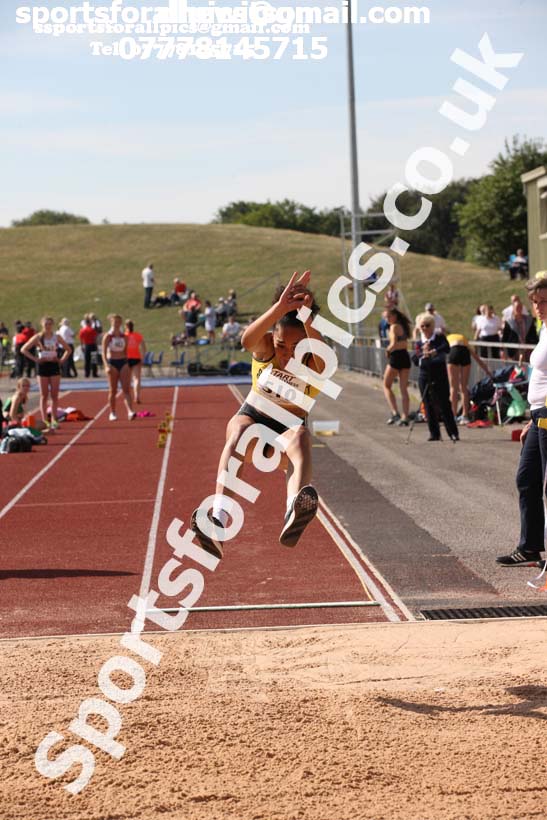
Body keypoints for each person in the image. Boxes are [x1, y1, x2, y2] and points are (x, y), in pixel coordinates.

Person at [190, 271, 323, 558]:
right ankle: (219, 520)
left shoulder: (316, 360)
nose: (287, 355)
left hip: (285, 433)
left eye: (296, 349)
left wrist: (306, 315)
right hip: (253, 420)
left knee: (301, 435)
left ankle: (294, 510)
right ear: (273, 339)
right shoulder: (265, 345)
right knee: (239, 430)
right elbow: (246, 340)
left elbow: (320, 352)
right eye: (281, 346)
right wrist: (280, 309)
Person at [497, 277, 547, 566]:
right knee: (526, 479)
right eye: (535, 302)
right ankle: (529, 547)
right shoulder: (543, 330)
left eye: (544, 301)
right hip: (539, 415)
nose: (539, 307)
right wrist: (532, 416)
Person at [412, 313, 459, 442]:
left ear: (432, 326)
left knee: (444, 403)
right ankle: (434, 433)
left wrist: (434, 351)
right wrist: (423, 354)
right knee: (428, 404)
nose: (425, 329)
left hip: (439, 373)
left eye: (427, 326)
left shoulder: (439, 338)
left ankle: (453, 432)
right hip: (424, 374)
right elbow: (415, 358)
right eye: (422, 326)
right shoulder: (419, 342)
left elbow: (446, 348)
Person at [21, 317, 70, 429]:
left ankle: (54, 419)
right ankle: (44, 420)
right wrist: (36, 359)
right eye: (45, 324)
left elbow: (68, 349)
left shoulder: (56, 337)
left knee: (54, 395)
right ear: (42, 325)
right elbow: (23, 349)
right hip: (42, 366)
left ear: (52, 325)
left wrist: (61, 360)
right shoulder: (38, 337)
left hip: (53, 366)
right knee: (44, 395)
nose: (47, 326)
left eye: (49, 324)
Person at [446, 333, 492, 424]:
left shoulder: (447, 339)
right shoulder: (464, 339)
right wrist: (487, 371)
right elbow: (475, 356)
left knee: (453, 388)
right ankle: (464, 415)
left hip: (453, 351)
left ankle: (453, 415)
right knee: (464, 387)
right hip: (464, 352)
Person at [102, 314, 136, 421]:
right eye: (114, 322)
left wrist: (128, 363)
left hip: (123, 362)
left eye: (118, 322)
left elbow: (126, 351)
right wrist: (106, 365)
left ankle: (130, 411)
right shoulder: (108, 336)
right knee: (113, 390)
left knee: (126, 389)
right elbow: (103, 353)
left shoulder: (124, 336)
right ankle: (112, 412)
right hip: (112, 363)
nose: (116, 324)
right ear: (111, 323)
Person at [383, 308, 412, 426]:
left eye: (388, 317)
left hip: (396, 357)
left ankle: (395, 413)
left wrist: (387, 350)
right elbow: (404, 343)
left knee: (386, 385)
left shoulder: (394, 327)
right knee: (403, 389)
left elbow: (394, 343)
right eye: (385, 317)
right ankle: (405, 416)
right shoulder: (403, 326)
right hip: (405, 356)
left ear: (394, 316)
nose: (387, 319)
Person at [125, 320, 146, 404]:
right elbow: (143, 347)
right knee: (136, 378)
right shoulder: (137, 335)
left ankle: (129, 396)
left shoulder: (124, 336)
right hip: (136, 358)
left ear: (125, 327)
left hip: (126, 358)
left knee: (128, 379)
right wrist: (143, 357)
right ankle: (137, 396)